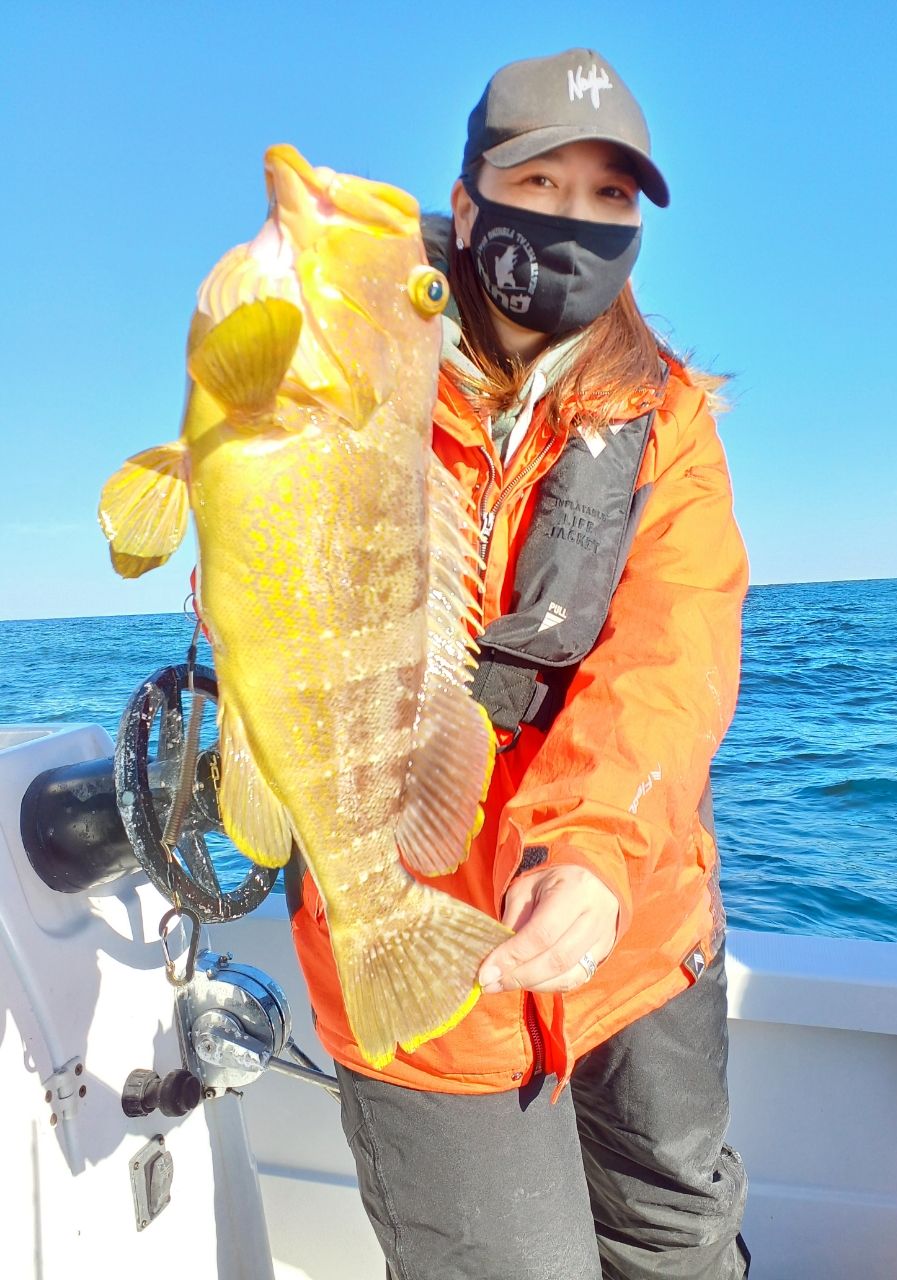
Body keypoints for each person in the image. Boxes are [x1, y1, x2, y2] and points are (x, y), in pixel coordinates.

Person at [287, 48, 750, 1280]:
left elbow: (676, 642)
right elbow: (267, 582)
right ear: (471, 197)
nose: (577, 220)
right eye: (542, 180)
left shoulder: (671, 417)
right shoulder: (347, 374)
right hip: (420, 943)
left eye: (611, 199)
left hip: (640, 929)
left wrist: (595, 846)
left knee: (682, 1237)